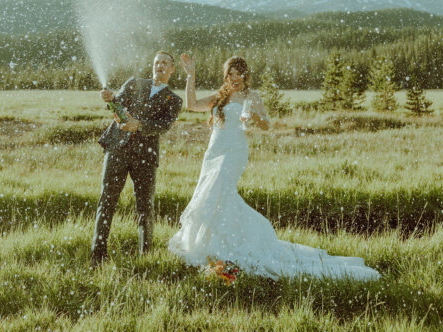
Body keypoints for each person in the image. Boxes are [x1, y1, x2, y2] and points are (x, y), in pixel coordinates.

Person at [168, 54, 380, 281]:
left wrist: (253, 117)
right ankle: (215, 242)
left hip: (234, 153)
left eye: (239, 73)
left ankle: (225, 245)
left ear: (245, 75)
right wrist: (190, 76)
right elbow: (191, 105)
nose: (235, 77)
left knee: (217, 190)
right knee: (212, 195)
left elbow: (267, 125)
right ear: (226, 75)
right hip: (213, 153)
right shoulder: (220, 97)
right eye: (231, 73)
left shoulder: (252, 96)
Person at [91, 52, 183, 265]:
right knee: (107, 201)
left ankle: (146, 257)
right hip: (117, 150)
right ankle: (98, 254)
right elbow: (116, 106)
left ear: (171, 70)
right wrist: (110, 99)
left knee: (145, 206)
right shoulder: (134, 83)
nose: (159, 66)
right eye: (157, 62)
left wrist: (139, 125)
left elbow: (164, 126)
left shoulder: (174, 100)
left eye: (165, 63)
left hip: (145, 157)